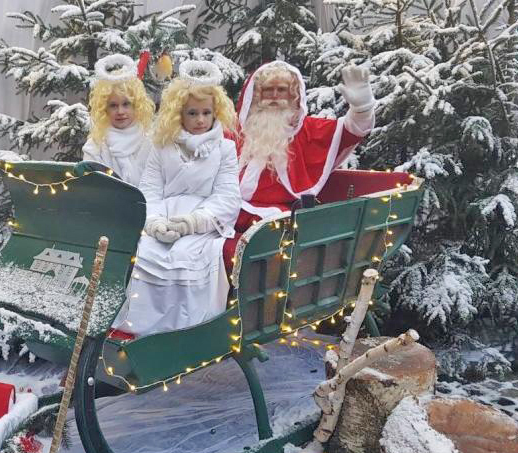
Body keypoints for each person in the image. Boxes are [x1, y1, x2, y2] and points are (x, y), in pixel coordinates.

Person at [110, 60, 241, 340]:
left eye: (206, 112)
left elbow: (228, 196)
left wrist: (191, 223)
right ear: (178, 113)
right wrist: (155, 222)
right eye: (192, 113)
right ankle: (143, 330)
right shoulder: (162, 146)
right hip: (163, 219)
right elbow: (149, 190)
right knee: (143, 254)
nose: (200, 120)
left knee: (186, 258)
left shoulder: (225, 149)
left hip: (202, 225)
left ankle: (185, 333)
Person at [223, 61, 376, 267]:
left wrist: (362, 108)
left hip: (275, 218)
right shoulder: (234, 129)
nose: (275, 96)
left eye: (282, 90)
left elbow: (353, 129)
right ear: (257, 94)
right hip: (227, 209)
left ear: (294, 94)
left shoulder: (308, 130)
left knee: (263, 250)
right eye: (268, 89)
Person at [82, 54, 155, 187]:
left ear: (137, 105)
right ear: (104, 108)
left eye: (126, 104)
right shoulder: (96, 145)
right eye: (113, 105)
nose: (120, 111)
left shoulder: (150, 141)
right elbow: (90, 185)